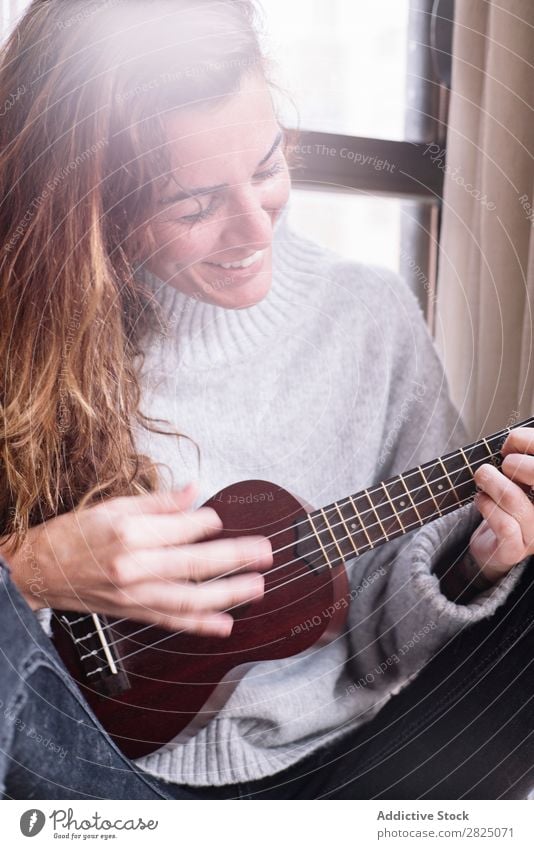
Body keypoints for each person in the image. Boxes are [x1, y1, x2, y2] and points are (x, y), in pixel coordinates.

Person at [0, 0, 533, 801]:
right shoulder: (24, 331)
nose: (256, 231)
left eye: (266, 165)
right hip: (91, 773)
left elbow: (382, 647)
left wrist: (474, 561)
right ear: (91, 198)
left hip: (354, 768)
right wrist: (33, 570)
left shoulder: (370, 317)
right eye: (194, 204)